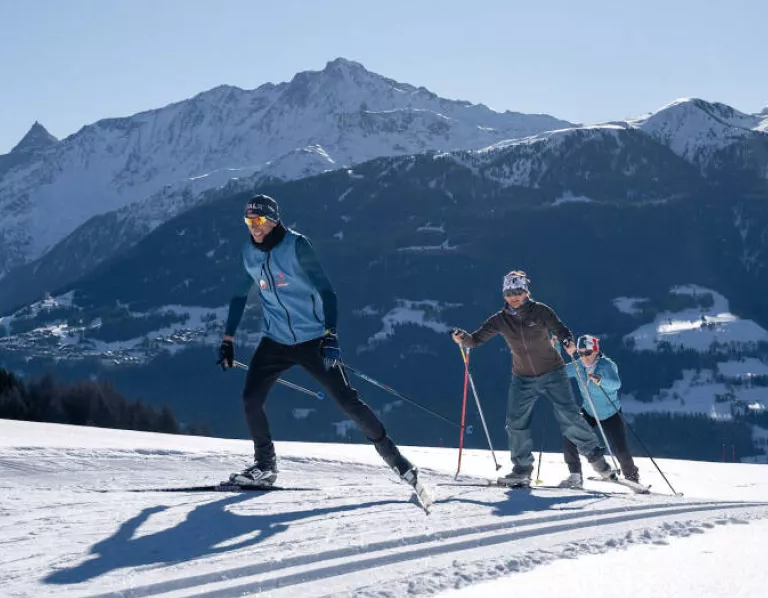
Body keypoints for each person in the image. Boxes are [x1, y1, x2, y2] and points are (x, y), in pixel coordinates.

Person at [218, 194, 421, 489]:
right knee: (250, 400)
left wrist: (331, 335)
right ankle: (265, 466)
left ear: (273, 220)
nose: (254, 227)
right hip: (274, 340)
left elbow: (328, 292)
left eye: (259, 221)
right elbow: (239, 296)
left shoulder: (297, 246)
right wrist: (228, 339)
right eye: (248, 221)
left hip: (312, 339)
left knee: (347, 401)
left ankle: (397, 461)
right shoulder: (249, 252)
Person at [450, 270, 619, 487]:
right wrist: (462, 338)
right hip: (522, 378)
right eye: (510, 293)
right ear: (504, 295)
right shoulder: (500, 320)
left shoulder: (540, 311)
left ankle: (600, 465)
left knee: (569, 418)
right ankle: (522, 471)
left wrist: (567, 341)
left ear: (526, 292)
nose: (514, 296)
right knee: (515, 423)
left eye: (518, 291)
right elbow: (475, 340)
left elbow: (561, 329)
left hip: (553, 373)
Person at [559, 334, 641, 489]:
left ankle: (632, 478)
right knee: (570, 435)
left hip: (611, 413)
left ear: (596, 351)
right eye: (581, 353)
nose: (584, 357)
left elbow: (616, 384)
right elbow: (559, 372)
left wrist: (601, 381)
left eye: (588, 353)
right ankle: (575, 476)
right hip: (589, 412)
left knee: (620, 449)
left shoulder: (607, 365)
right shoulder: (578, 367)